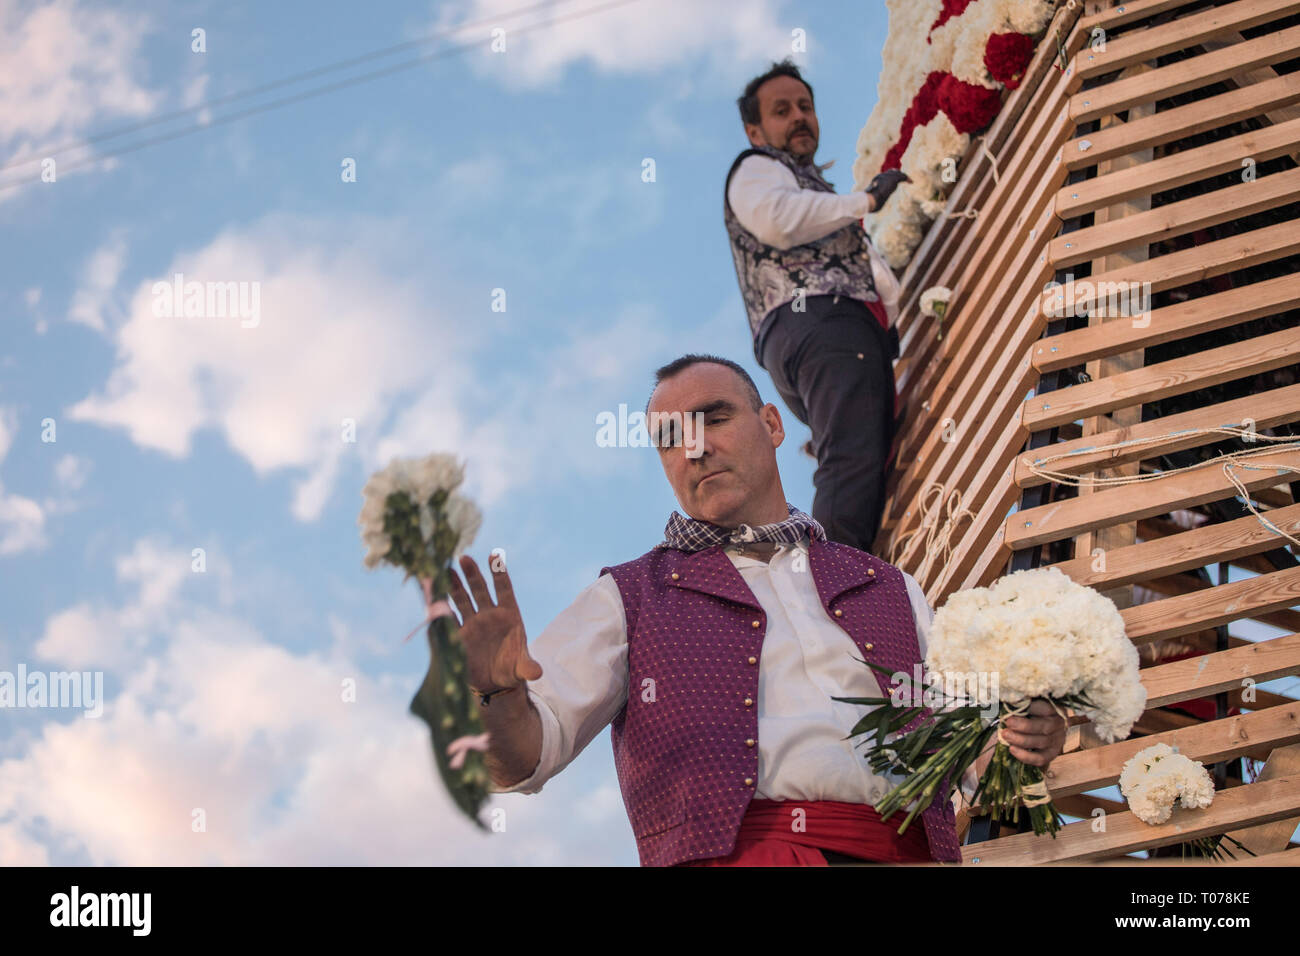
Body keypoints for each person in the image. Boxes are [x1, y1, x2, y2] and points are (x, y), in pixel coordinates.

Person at [448, 354, 1067, 866]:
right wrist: (494, 696)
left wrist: (1028, 738)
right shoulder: (628, 596)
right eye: (670, 441)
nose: (695, 450)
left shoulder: (890, 585)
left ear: (772, 424)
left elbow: (976, 764)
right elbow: (524, 759)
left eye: (713, 419)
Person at [725, 57, 911, 554]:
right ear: (755, 131)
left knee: (858, 457)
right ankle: (830, 592)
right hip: (821, 324)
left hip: (818, 335)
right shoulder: (756, 169)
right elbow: (778, 219)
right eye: (781, 111)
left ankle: (845, 579)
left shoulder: (804, 184)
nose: (799, 117)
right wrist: (866, 200)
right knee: (851, 461)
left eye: (805, 107)